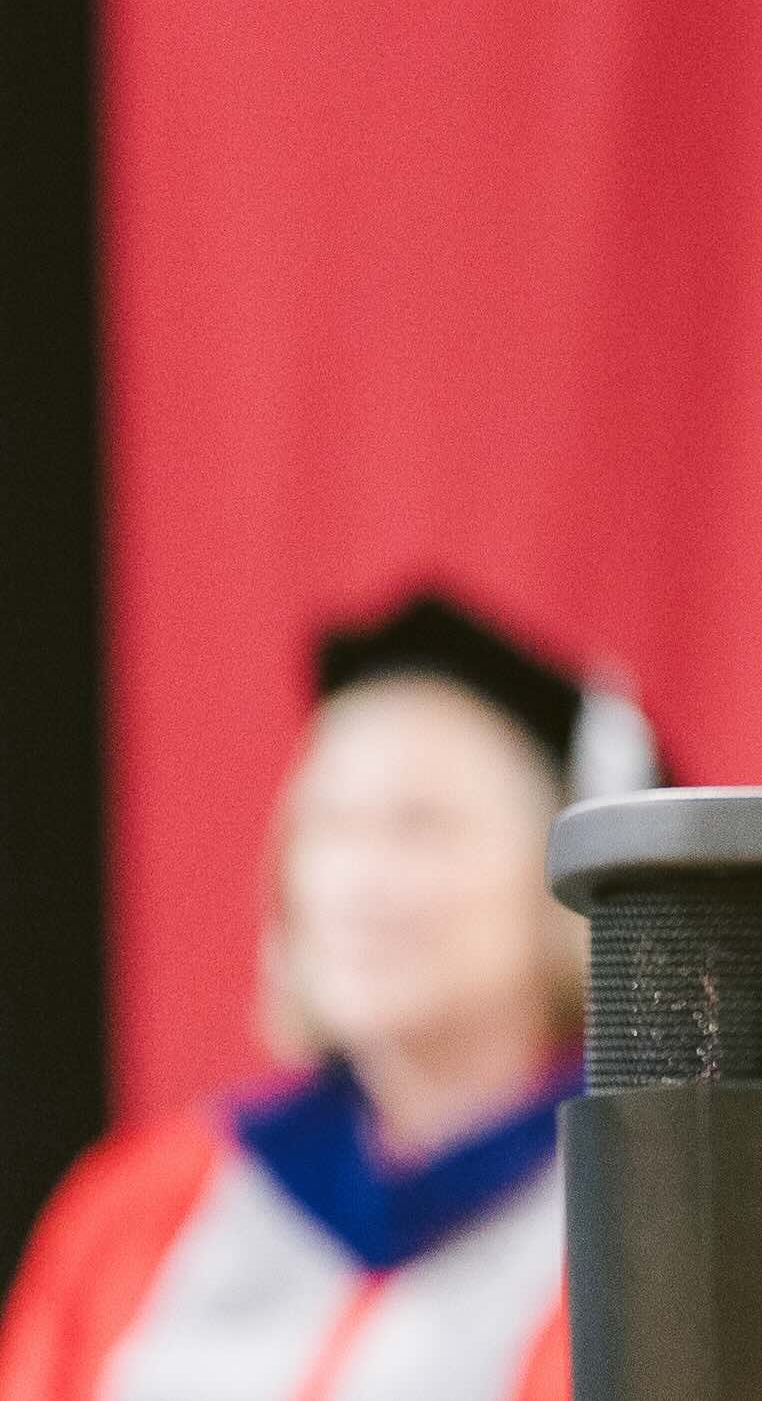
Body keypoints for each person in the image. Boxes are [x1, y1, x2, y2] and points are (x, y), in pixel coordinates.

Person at [0, 591, 660, 1401]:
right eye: (330, 823)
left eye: (420, 824)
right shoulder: (140, 1210)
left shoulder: (643, 1228)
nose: (358, 880)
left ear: (562, 876)